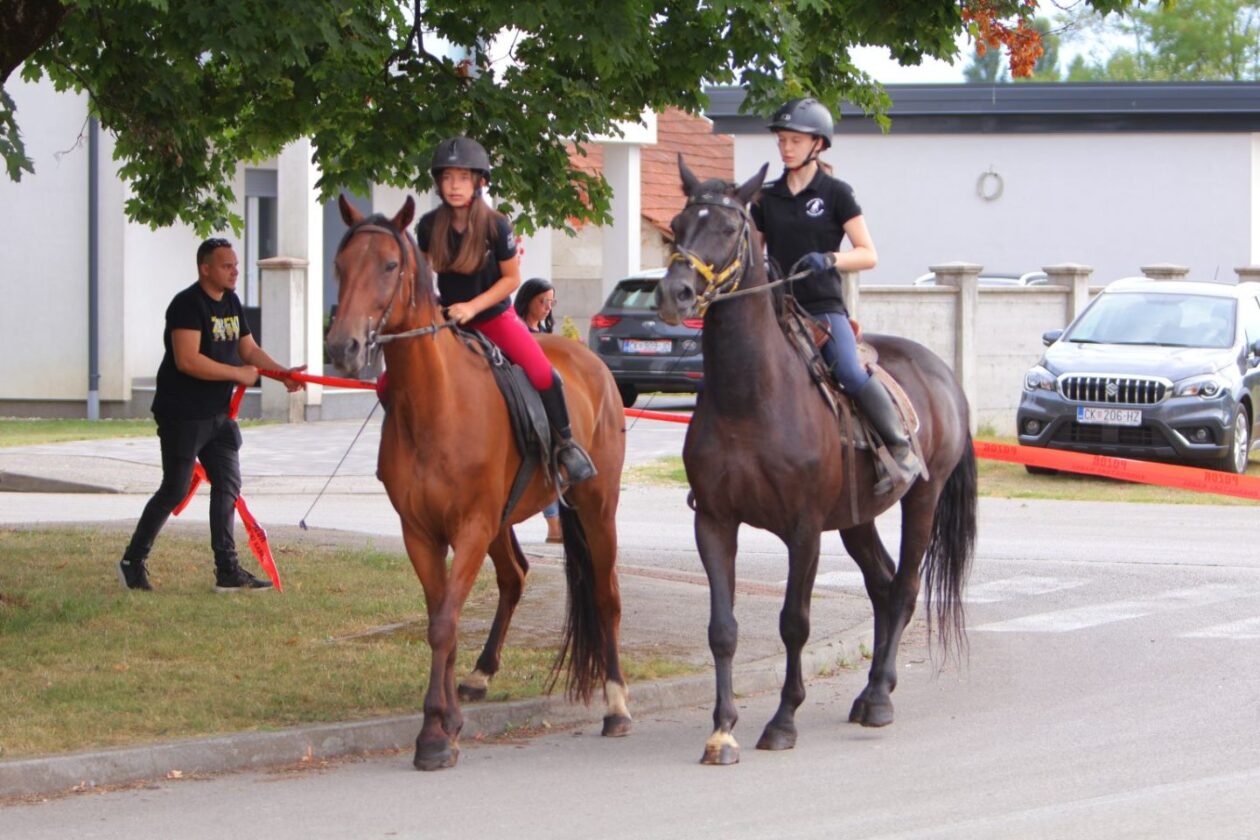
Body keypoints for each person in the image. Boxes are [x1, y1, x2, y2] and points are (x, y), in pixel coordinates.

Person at [750, 97, 921, 493]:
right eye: (782, 140)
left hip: (822, 310)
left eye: (795, 140)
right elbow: (756, 255)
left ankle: (899, 448)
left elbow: (869, 254)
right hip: (777, 310)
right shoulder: (768, 198)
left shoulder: (835, 193)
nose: (786, 147)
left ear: (818, 145)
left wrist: (830, 258)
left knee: (846, 369)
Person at [117, 238, 305, 592]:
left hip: (218, 416)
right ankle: (132, 561)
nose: (235, 271)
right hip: (183, 415)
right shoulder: (187, 305)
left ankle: (227, 571)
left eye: (235, 265)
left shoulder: (232, 302)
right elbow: (188, 360)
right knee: (174, 490)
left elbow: (248, 348)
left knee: (228, 487)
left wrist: (283, 375)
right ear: (205, 268)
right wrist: (238, 374)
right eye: (226, 266)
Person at [416, 136, 596, 486]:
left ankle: (566, 446)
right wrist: (433, 309)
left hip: (493, 316)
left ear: (480, 182)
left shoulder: (497, 225)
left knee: (545, 373)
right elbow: (424, 276)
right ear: (439, 182)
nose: (455, 186)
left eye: (464, 178)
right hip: (446, 317)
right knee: (387, 382)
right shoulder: (428, 226)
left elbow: (512, 278)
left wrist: (472, 307)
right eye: (448, 178)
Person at [514, 277, 563, 542]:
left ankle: (558, 524)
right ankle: (554, 526)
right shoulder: (518, 331)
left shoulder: (545, 331)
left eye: (551, 302)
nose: (547, 307)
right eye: (542, 301)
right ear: (528, 300)